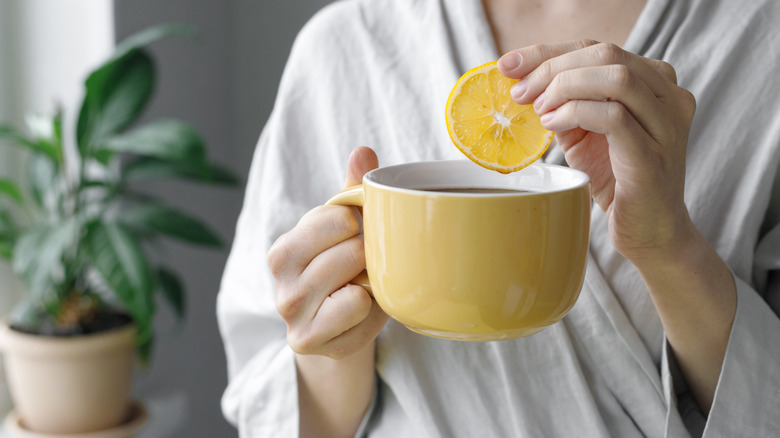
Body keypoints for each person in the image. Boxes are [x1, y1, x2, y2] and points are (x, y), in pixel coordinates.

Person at [217, 0, 780, 436]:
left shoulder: (762, 41)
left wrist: (668, 245)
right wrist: (332, 341)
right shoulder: (345, 46)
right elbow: (277, 411)